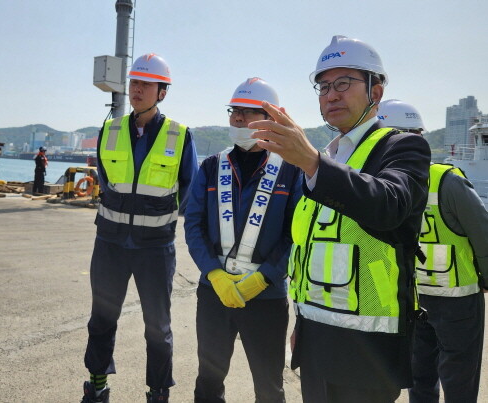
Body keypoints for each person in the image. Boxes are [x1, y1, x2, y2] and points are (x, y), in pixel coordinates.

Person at [248, 35, 431, 402]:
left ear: (376, 92)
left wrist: (313, 162)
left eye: (344, 83)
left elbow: (389, 205)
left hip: (368, 351)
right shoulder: (329, 156)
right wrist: (303, 322)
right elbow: (312, 250)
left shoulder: (402, 147)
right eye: (324, 86)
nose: (331, 95)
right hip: (317, 342)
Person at [81, 53, 198, 403]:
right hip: (110, 244)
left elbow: (187, 190)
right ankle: (97, 384)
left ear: (162, 92)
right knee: (101, 319)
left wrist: (157, 222)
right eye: (134, 82)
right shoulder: (110, 129)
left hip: (155, 248)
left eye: (147, 84)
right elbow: (106, 179)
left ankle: (158, 392)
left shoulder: (180, 135)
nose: (138, 89)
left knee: (158, 328)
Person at [184, 77, 303, 402]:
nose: (238, 118)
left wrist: (265, 277)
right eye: (234, 111)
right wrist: (214, 273)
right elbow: (193, 226)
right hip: (214, 293)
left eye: (248, 112)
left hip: (265, 298)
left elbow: (297, 235)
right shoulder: (211, 167)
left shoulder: (292, 170)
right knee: (208, 382)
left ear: (271, 119)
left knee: (268, 387)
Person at [378, 99, 488, 403]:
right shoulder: (446, 181)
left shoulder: (378, 187)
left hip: (415, 298)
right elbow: (482, 232)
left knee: (420, 377)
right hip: (456, 300)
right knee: (457, 378)